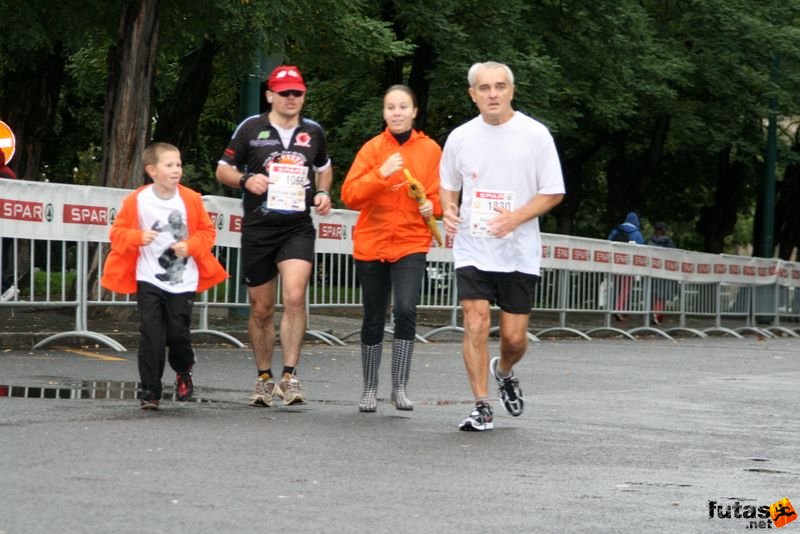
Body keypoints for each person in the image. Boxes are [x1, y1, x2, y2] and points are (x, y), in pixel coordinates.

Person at [439, 62, 565, 431]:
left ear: (511, 90)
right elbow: (448, 183)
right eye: (484, 88)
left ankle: (505, 370)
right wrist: (448, 206)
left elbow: (554, 191)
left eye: (499, 87)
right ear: (473, 94)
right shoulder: (460, 136)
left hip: (518, 250)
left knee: (513, 338)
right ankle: (481, 405)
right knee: (475, 322)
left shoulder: (535, 135)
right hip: (473, 246)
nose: (492, 94)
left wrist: (516, 218)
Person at [215, 65, 333, 407]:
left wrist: (324, 195)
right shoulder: (250, 129)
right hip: (259, 226)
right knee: (261, 308)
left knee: (295, 296)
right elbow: (222, 169)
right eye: (285, 93)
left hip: (297, 226)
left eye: (297, 93)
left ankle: (290, 375)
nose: (292, 98)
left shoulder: (313, 132)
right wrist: (245, 181)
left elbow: (324, 170)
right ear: (270, 96)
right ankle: (264, 376)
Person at [101, 142, 228, 409]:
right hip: (148, 276)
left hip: (183, 280)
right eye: (169, 165)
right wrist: (138, 237)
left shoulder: (190, 199)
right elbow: (117, 233)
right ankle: (150, 391)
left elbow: (207, 233)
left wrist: (189, 246)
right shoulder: (138, 199)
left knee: (177, 334)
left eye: (179, 164)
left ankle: (183, 370)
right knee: (151, 334)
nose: (176, 170)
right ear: (152, 170)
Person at [341, 85, 442, 413]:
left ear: (414, 112)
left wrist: (433, 206)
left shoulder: (430, 150)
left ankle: (399, 387)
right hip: (372, 242)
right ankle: (369, 388)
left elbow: (443, 195)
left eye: (403, 107)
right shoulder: (372, 149)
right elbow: (350, 195)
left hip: (412, 242)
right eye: (390, 107)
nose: (397, 112)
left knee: (405, 310)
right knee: (373, 315)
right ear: (384, 113)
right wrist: (381, 174)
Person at [607, 212, 645, 321]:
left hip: (615, 263)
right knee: (626, 288)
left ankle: (613, 308)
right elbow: (641, 249)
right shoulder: (637, 233)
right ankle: (619, 309)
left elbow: (608, 242)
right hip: (629, 265)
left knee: (616, 287)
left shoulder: (616, 230)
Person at [646, 221, 676, 324]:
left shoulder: (649, 241)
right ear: (663, 230)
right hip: (664, 273)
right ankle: (658, 316)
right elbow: (674, 255)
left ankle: (651, 314)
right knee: (662, 295)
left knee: (652, 294)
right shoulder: (669, 242)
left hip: (651, 272)